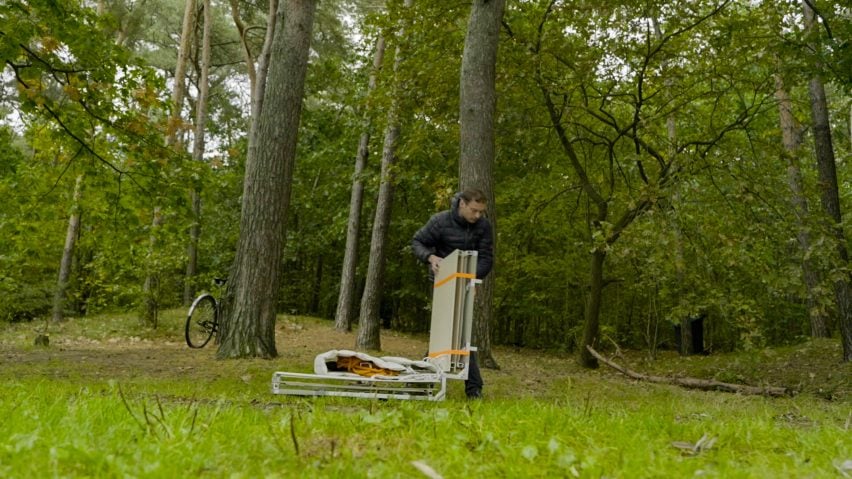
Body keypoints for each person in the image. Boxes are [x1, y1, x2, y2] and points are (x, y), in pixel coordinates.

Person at [411, 188, 494, 399]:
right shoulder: (440, 221)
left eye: (481, 212)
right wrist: (430, 258)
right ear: (462, 205)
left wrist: (472, 280)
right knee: (443, 334)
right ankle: (422, 379)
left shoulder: (483, 226)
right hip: (441, 282)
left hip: (466, 284)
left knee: (463, 333)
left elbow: (486, 258)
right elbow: (417, 242)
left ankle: (473, 389)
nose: (477, 216)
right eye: (474, 210)